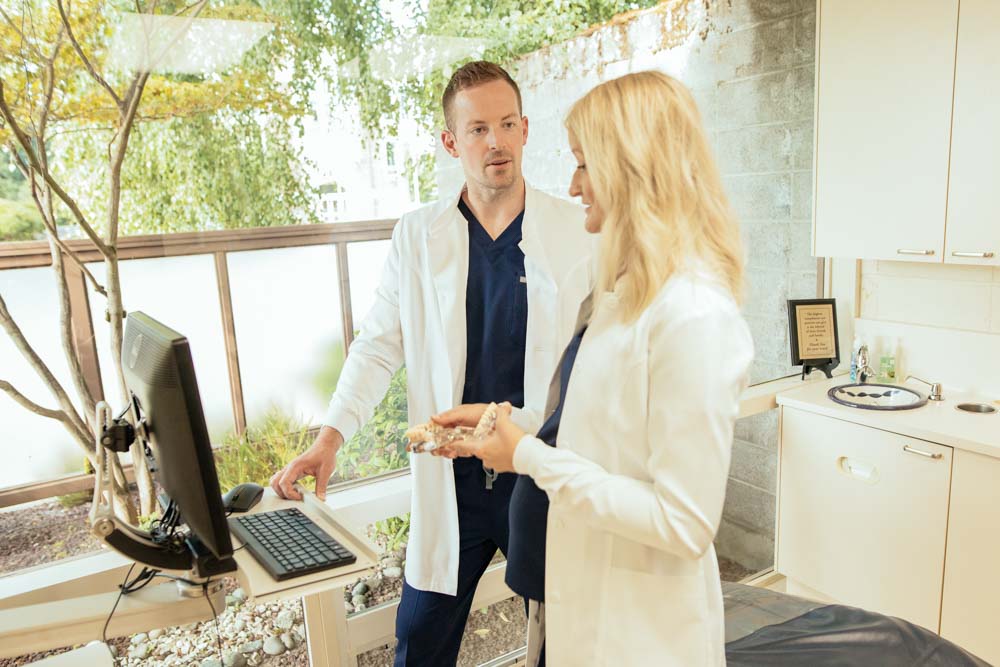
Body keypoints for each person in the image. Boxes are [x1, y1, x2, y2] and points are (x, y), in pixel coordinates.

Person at [269, 61, 594, 666]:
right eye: (476, 130)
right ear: (451, 142)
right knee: (419, 639)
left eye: (506, 124)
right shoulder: (418, 236)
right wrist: (331, 437)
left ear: (525, 129)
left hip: (539, 471)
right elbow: (378, 344)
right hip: (455, 481)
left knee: (564, 641)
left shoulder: (577, 230)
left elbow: (596, 357)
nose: (494, 142)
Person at [435, 70, 754, 666]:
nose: (574, 184)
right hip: (581, 598)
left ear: (632, 169)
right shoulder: (626, 293)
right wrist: (503, 428)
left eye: (584, 164)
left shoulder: (693, 315)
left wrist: (525, 457)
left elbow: (684, 522)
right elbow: (591, 432)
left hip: (641, 632)